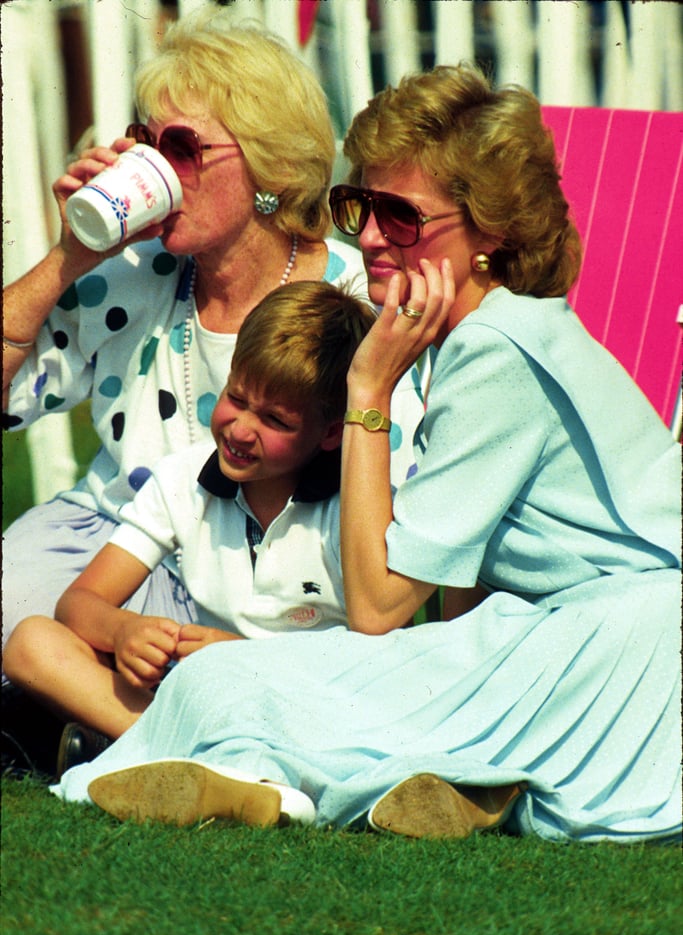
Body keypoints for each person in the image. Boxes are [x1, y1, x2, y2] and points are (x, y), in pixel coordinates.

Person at [52, 64, 681, 843]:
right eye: (360, 207)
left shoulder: (494, 350)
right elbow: (460, 588)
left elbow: (381, 609)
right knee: (267, 678)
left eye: (400, 215)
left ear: (489, 233)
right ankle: (314, 779)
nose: (371, 237)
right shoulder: (491, 334)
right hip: (576, 632)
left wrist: (368, 391)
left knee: (250, 679)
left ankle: (273, 768)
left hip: (629, 644)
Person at [1, 10, 425, 770]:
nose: (159, 168)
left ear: (265, 165)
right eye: (145, 140)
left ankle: (93, 728)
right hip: (117, 538)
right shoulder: (133, 275)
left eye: (183, 148)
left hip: (273, 570)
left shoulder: (351, 299)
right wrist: (71, 253)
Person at [4, 280, 376, 750]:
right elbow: (79, 602)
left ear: (329, 434)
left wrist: (248, 660)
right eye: (237, 398)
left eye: (275, 420)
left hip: (302, 703)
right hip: (195, 696)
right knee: (31, 642)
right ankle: (199, 757)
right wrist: (123, 632)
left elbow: (373, 657)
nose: (241, 429)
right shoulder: (183, 479)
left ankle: (165, 753)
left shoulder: (354, 509)